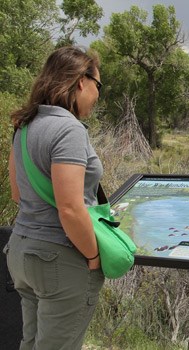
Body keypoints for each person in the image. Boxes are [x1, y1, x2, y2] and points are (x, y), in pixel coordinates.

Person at [3, 46, 105, 350]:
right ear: (81, 81)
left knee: (32, 342)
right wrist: (93, 256)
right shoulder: (68, 129)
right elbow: (71, 208)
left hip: (21, 251)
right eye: (98, 86)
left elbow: (17, 193)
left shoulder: (24, 126)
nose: (98, 96)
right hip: (59, 257)